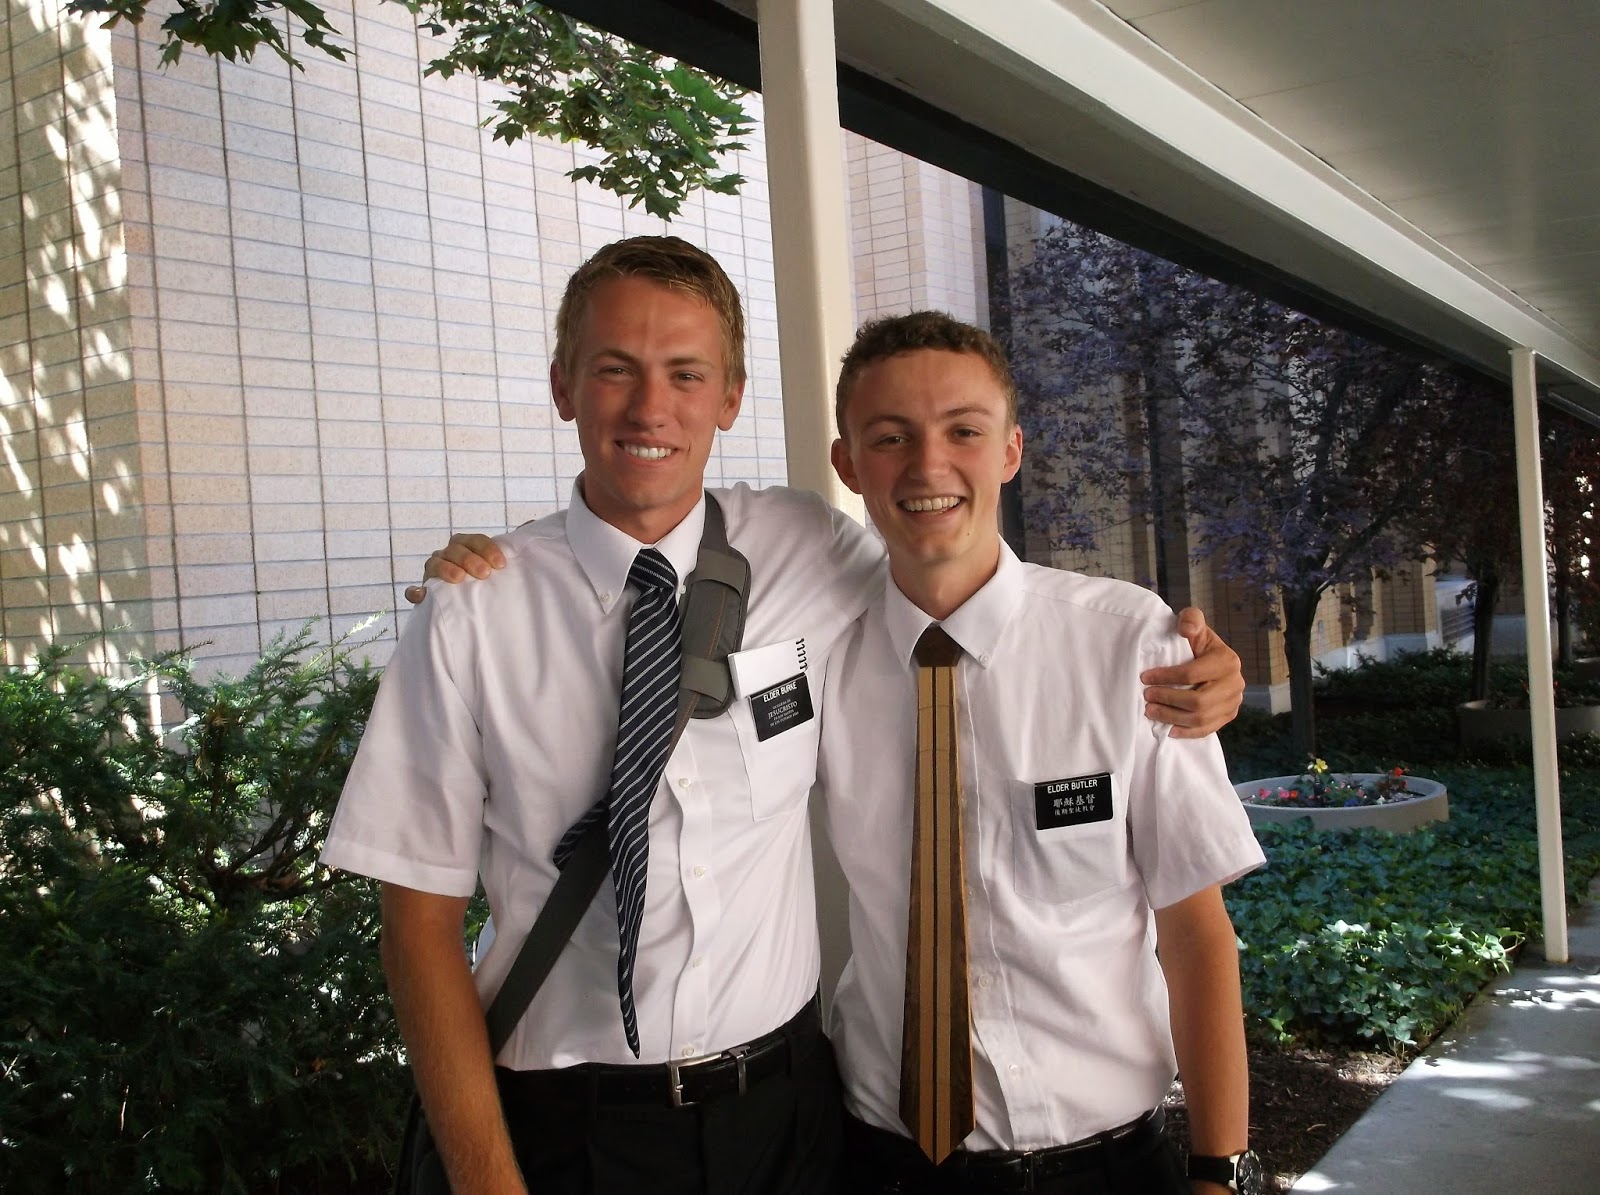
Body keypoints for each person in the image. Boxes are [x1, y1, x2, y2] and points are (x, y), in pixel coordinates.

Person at [326, 235, 1244, 1195]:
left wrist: (1191, 666)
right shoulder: (476, 613)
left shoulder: (819, 552)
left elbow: (947, 558)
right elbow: (417, 924)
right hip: (576, 1129)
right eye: (615, 369)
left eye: (687, 373)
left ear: (729, 397)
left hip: (789, 1124)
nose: (650, 407)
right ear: (564, 386)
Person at [819, 311, 1266, 1194]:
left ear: (1011, 450)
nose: (928, 465)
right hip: (883, 1163)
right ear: (848, 463)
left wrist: (1221, 1172)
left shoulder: (1129, 646)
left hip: (1107, 1167)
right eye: (891, 437)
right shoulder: (817, 649)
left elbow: (1195, 935)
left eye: (964, 431)